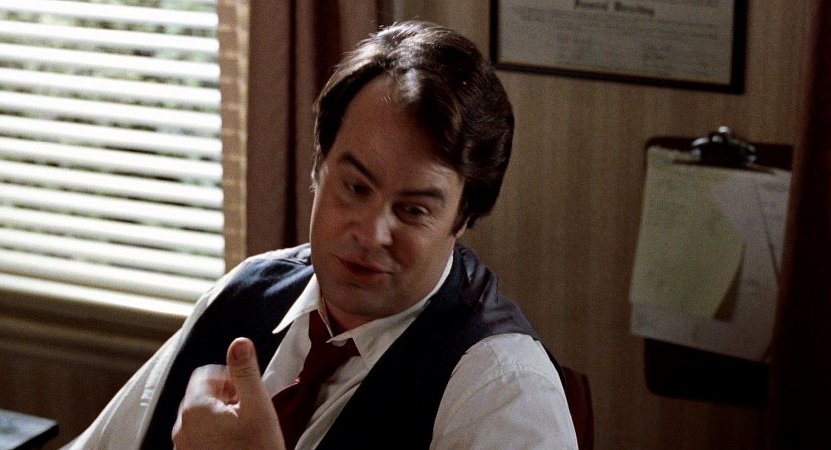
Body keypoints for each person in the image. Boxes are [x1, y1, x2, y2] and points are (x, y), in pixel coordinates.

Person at [66, 20, 578, 449]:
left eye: (413, 210)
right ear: (319, 167)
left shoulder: (504, 391)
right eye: (354, 187)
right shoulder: (244, 293)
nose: (371, 233)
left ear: (464, 217)